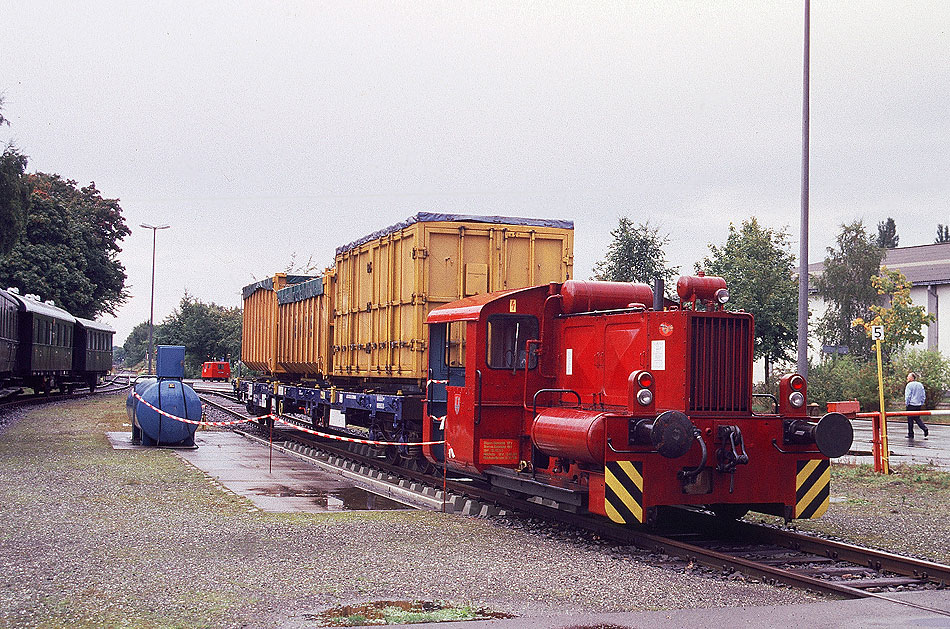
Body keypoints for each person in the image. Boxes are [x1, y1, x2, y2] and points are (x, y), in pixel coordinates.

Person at [904, 372, 929, 439]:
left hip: (911, 404)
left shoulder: (909, 385)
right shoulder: (920, 385)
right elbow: (923, 395)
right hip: (918, 404)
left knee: (910, 420)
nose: (907, 378)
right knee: (917, 418)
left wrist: (907, 403)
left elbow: (908, 396)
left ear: (912, 378)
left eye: (908, 376)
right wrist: (921, 402)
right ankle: (924, 428)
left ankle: (911, 434)